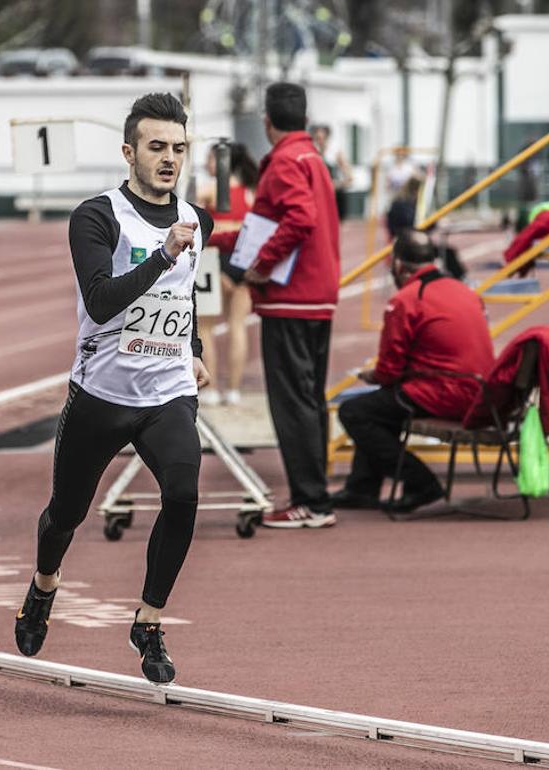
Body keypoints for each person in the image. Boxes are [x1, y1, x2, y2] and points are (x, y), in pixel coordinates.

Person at [13, 93, 213, 685]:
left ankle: (148, 622)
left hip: (167, 391)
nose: (169, 158)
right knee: (66, 514)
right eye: (157, 147)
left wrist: (195, 350)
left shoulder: (194, 218)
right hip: (101, 393)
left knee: (183, 493)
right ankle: (43, 586)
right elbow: (100, 302)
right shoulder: (96, 216)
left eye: (178, 148)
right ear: (129, 152)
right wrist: (161, 253)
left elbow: (185, 293)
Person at [207, 82, 341, 529]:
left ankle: (311, 500)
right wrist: (217, 238)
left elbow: (297, 220)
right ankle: (316, 492)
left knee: (292, 402)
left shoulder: (284, 161)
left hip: (291, 299)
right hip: (316, 296)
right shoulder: (311, 158)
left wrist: (262, 266)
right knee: (309, 399)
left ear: (267, 121)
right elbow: (271, 225)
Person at [334, 229, 494, 513]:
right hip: (481, 391)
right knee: (382, 405)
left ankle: (419, 480)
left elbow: (388, 370)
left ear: (398, 266)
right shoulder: (465, 291)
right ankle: (361, 486)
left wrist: (372, 375)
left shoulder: (407, 299)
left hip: (446, 392)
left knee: (355, 412)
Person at [195, 142, 257, 407]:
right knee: (237, 327)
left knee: (205, 328)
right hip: (242, 261)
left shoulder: (208, 191)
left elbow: (192, 219)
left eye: (210, 159)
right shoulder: (250, 194)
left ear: (221, 162)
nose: (206, 164)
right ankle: (233, 390)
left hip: (213, 260)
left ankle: (211, 390)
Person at [310, 125, 352, 221]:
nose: (319, 141)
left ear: (327, 138)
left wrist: (337, 184)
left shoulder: (335, 153)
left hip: (333, 196)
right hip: (316, 196)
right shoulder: (311, 153)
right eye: (317, 139)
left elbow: (349, 177)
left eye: (322, 138)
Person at [386, 175, 421, 240]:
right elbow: (409, 220)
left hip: (399, 234)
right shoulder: (403, 202)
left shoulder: (400, 199)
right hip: (403, 236)